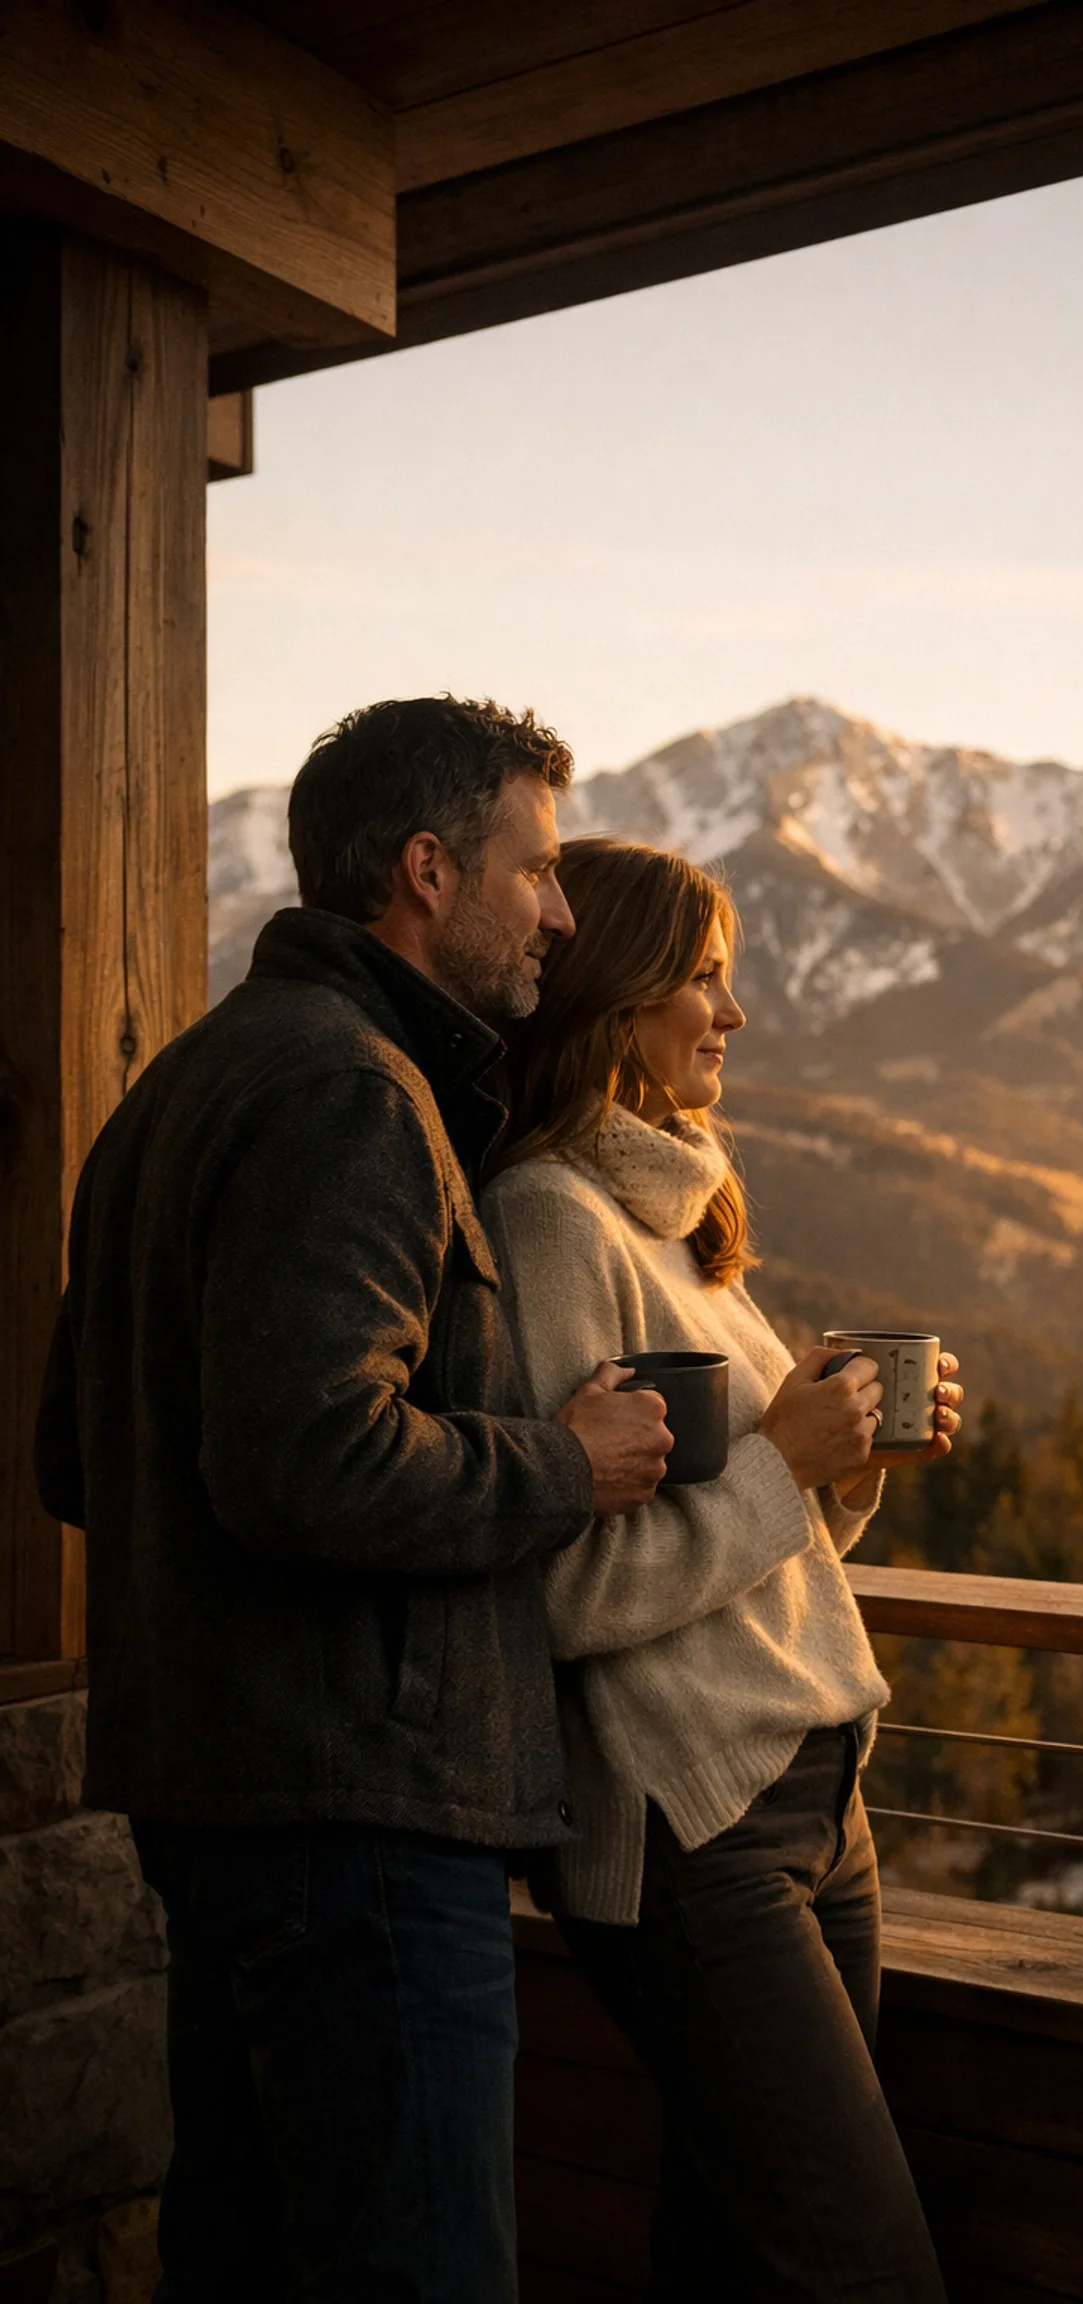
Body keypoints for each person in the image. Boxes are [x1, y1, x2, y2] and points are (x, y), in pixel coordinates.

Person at [33, 699, 673, 2304]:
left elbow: (68, 1458)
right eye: (535, 872)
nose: (562, 913)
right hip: (363, 1823)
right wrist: (563, 1462)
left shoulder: (181, 1089)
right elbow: (309, 1457)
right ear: (425, 869)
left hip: (229, 1800)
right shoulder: (359, 1096)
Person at [480, 836, 963, 2304]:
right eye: (703, 978)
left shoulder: (682, 1224)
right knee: (858, 2261)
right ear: (621, 1002)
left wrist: (854, 1464)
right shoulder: (553, 1221)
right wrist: (789, 1463)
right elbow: (571, 1591)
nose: (731, 1014)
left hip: (821, 1792)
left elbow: (766, 1543)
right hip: (701, 1828)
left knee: (743, 2236)